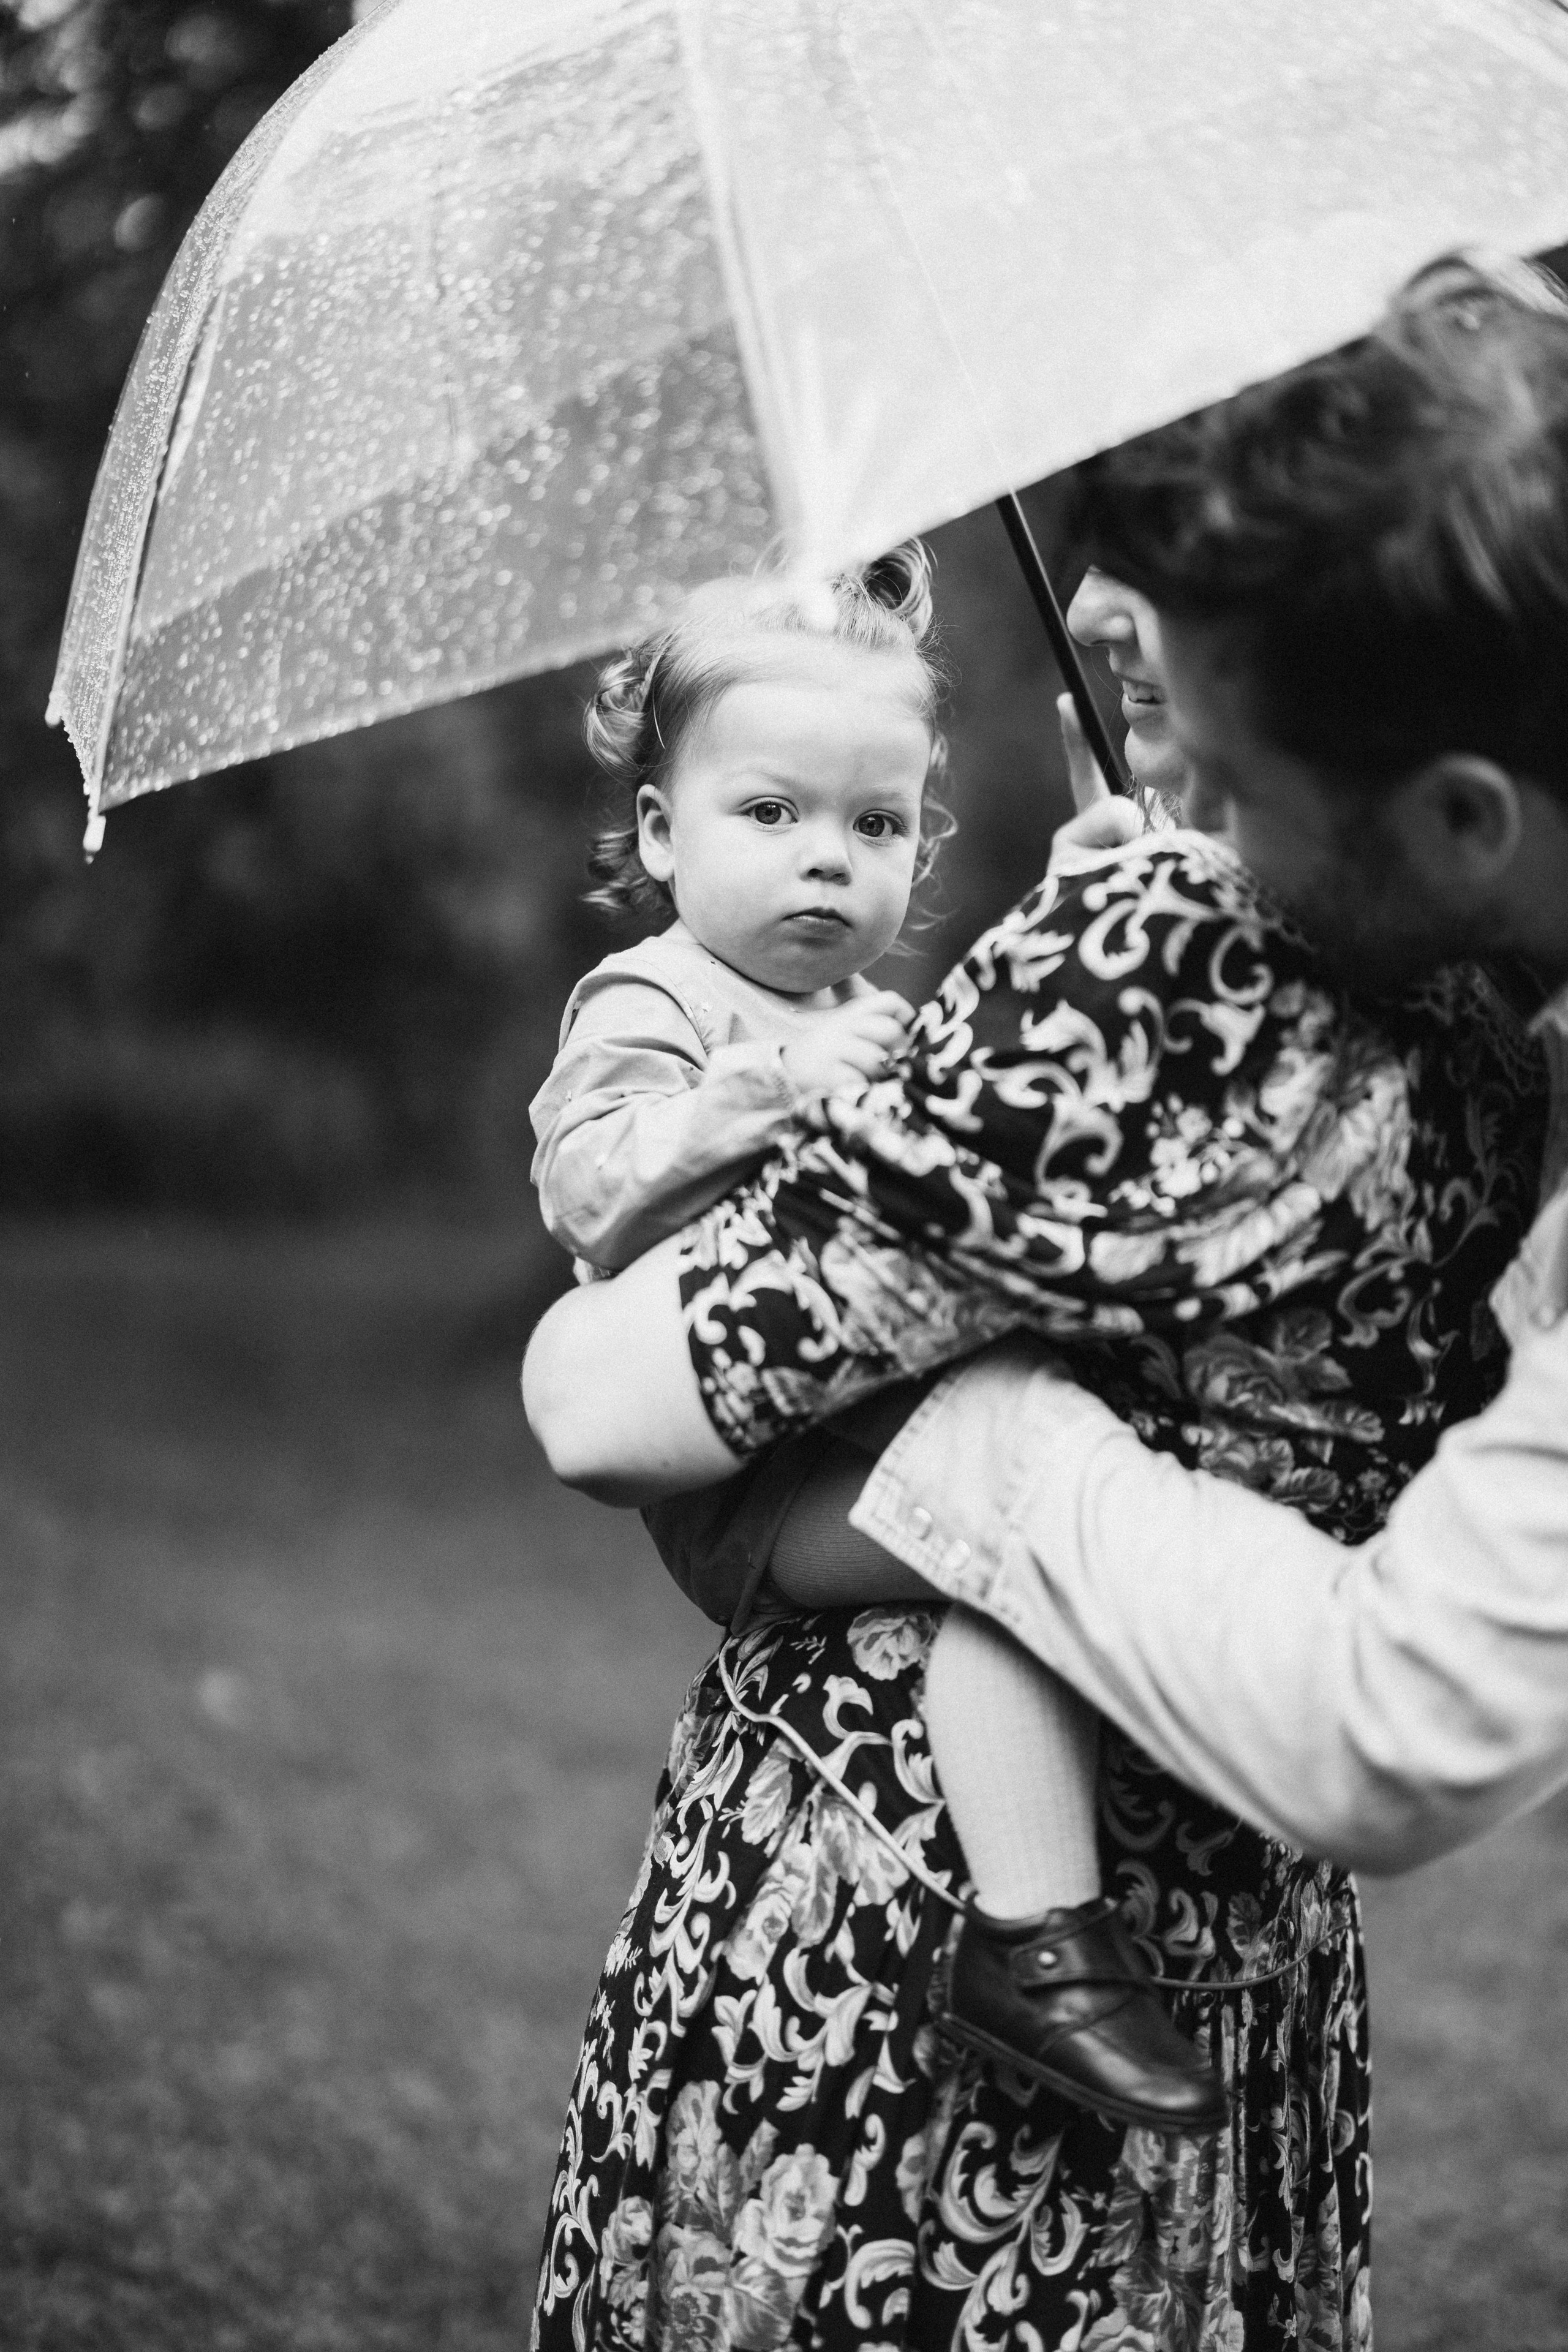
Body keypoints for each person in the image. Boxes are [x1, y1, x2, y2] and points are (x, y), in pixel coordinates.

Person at [524, 260, 1555, 2348]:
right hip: (1208, 1935)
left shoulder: (1146, 991)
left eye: (1248, 788)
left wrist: (977, 1436)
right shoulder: (1513, 1052)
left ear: (1461, 818)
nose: (1223, 849)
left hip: (900, 1921)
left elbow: (606, 1402)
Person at [529, 546, 1221, 2133]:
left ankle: (1061, 1907)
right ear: (659, 831)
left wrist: (1079, 896)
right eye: (771, 815)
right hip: (753, 1481)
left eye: (876, 823)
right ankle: (1039, 1938)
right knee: (1021, 1532)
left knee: (1043, 1498)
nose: (827, 864)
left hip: (863, 1424)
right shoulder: (660, 1000)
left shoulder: (859, 1008)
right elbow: (591, 1193)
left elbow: (973, 1091)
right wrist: (755, 1091)